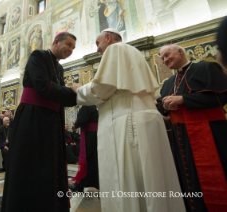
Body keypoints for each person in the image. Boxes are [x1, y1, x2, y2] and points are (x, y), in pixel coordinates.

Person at [71, 29, 185, 212]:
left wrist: (79, 89)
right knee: (153, 179)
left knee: (129, 181)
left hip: (127, 120)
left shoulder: (114, 50)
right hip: (144, 118)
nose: (98, 49)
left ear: (108, 38)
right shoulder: (135, 52)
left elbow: (101, 89)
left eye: (98, 43)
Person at [1, 32, 77, 212]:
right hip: (32, 119)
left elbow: (58, 93)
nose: (71, 50)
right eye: (68, 44)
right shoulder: (39, 55)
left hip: (51, 121)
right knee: (30, 167)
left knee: (48, 168)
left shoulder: (59, 68)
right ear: (56, 42)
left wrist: (75, 93)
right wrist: (74, 92)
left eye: (73, 47)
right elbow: (42, 85)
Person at [159, 44, 227, 212]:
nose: (165, 60)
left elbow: (220, 97)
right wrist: (166, 106)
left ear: (180, 51)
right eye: (162, 59)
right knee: (188, 177)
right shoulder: (168, 83)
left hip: (210, 132)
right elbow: (162, 108)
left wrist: (183, 100)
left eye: (167, 55)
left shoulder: (207, 67)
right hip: (181, 137)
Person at [69, 105, 99, 193]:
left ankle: (80, 185)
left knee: (86, 159)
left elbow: (82, 120)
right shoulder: (94, 106)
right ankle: (95, 182)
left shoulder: (86, 106)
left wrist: (76, 123)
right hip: (95, 135)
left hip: (89, 135)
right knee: (93, 160)